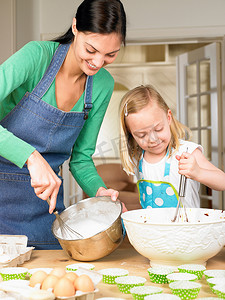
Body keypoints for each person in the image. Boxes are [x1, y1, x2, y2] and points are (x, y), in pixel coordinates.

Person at [0, 0, 126, 249]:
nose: (98, 63)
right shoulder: (36, 57)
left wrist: (99, 191)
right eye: (91, 50)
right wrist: (31, 157)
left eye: (110, 54)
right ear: (75, 26)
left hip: (45, 214)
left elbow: (80, 159)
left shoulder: (102, 85)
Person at [119, 85, 225, 209]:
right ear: (130, 133)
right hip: (153, 227)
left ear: (168, 118)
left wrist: (198, 172)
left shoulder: (187, 151)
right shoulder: (137, 158)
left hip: (186, 227)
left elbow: (222, 182)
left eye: (158, 129)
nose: (153, 139)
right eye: (142, 135)